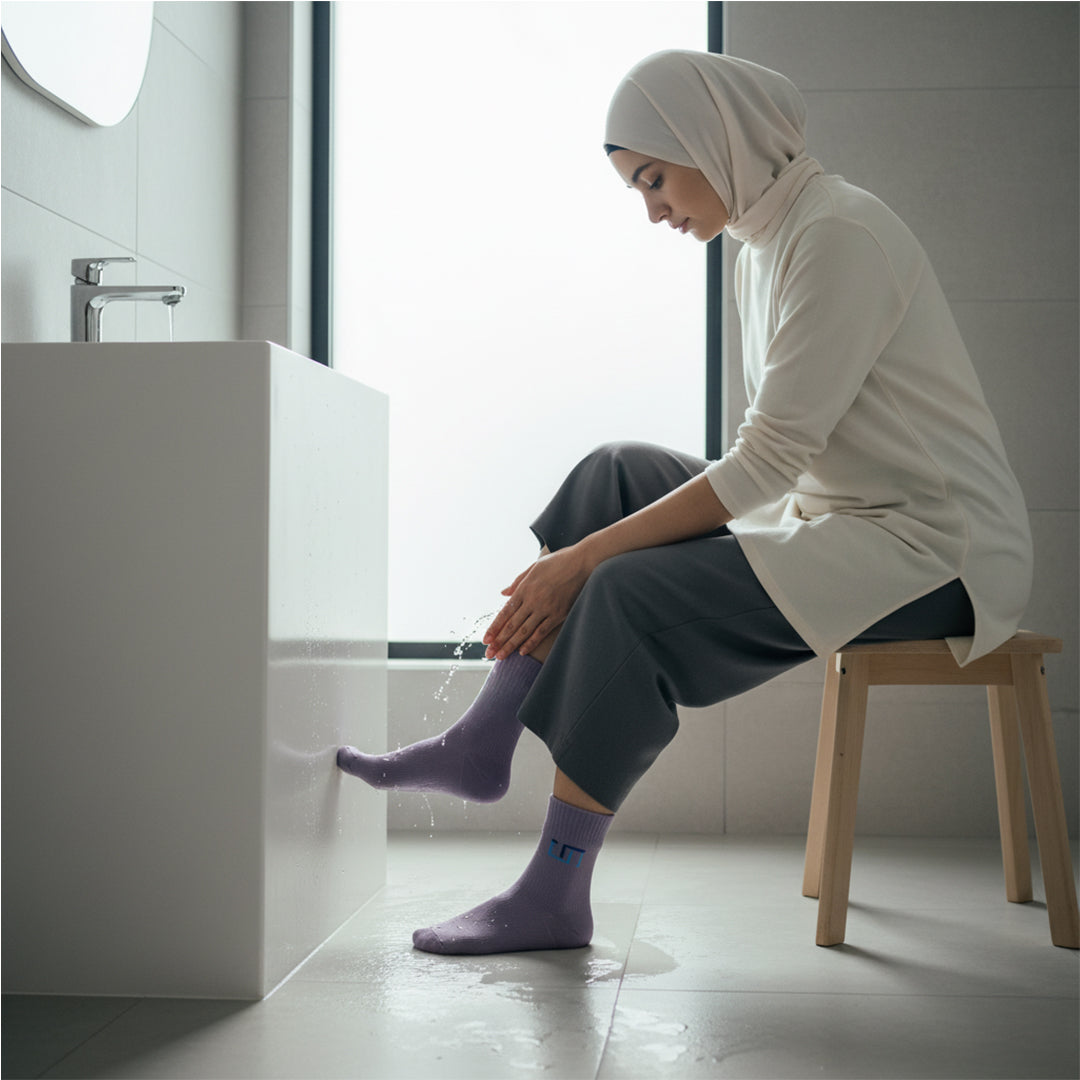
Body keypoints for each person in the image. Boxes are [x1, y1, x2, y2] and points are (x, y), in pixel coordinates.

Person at [337, 50, 1033, 956]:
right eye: (638, 187)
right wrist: (587, 544)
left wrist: (583, 561)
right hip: (843, 517)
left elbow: (770, 460)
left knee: (626, 592)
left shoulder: (839, 237)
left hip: (936, 551)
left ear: (715, 140)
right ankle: (482, 739)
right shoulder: (762, 240)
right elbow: (784, 458)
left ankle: (554, 892)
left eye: (654, 179)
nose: (653, 208)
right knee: (612, 473)